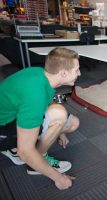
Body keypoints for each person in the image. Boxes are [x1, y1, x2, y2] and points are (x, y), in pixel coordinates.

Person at [0, 47, 81, 190]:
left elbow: (49, 101)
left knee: (72, 123)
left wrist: (60, 131)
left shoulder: (40, 74)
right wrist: (59, 178)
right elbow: (25, 151)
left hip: (10, 115)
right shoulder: (35, 95)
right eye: (76, 70)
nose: (79, 73)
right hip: (2, 130)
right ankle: (35, 164)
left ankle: (13, 149)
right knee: (59, 114)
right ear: (63, 73)